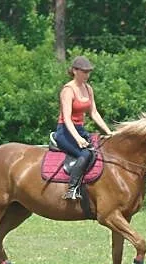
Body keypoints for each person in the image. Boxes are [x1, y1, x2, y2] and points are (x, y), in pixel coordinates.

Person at [54, 55, 113, 200]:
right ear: (74, 71)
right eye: (84, 71)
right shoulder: (68, 90)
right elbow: (67, 118)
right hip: (65, 131)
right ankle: (72, 189)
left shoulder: (88, 88)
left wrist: (109, 132)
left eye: (89, 72)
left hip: (80, 129)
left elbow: (94, 113)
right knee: (85, 154)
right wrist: (78, 139)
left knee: (99, 151)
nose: (87, 75)